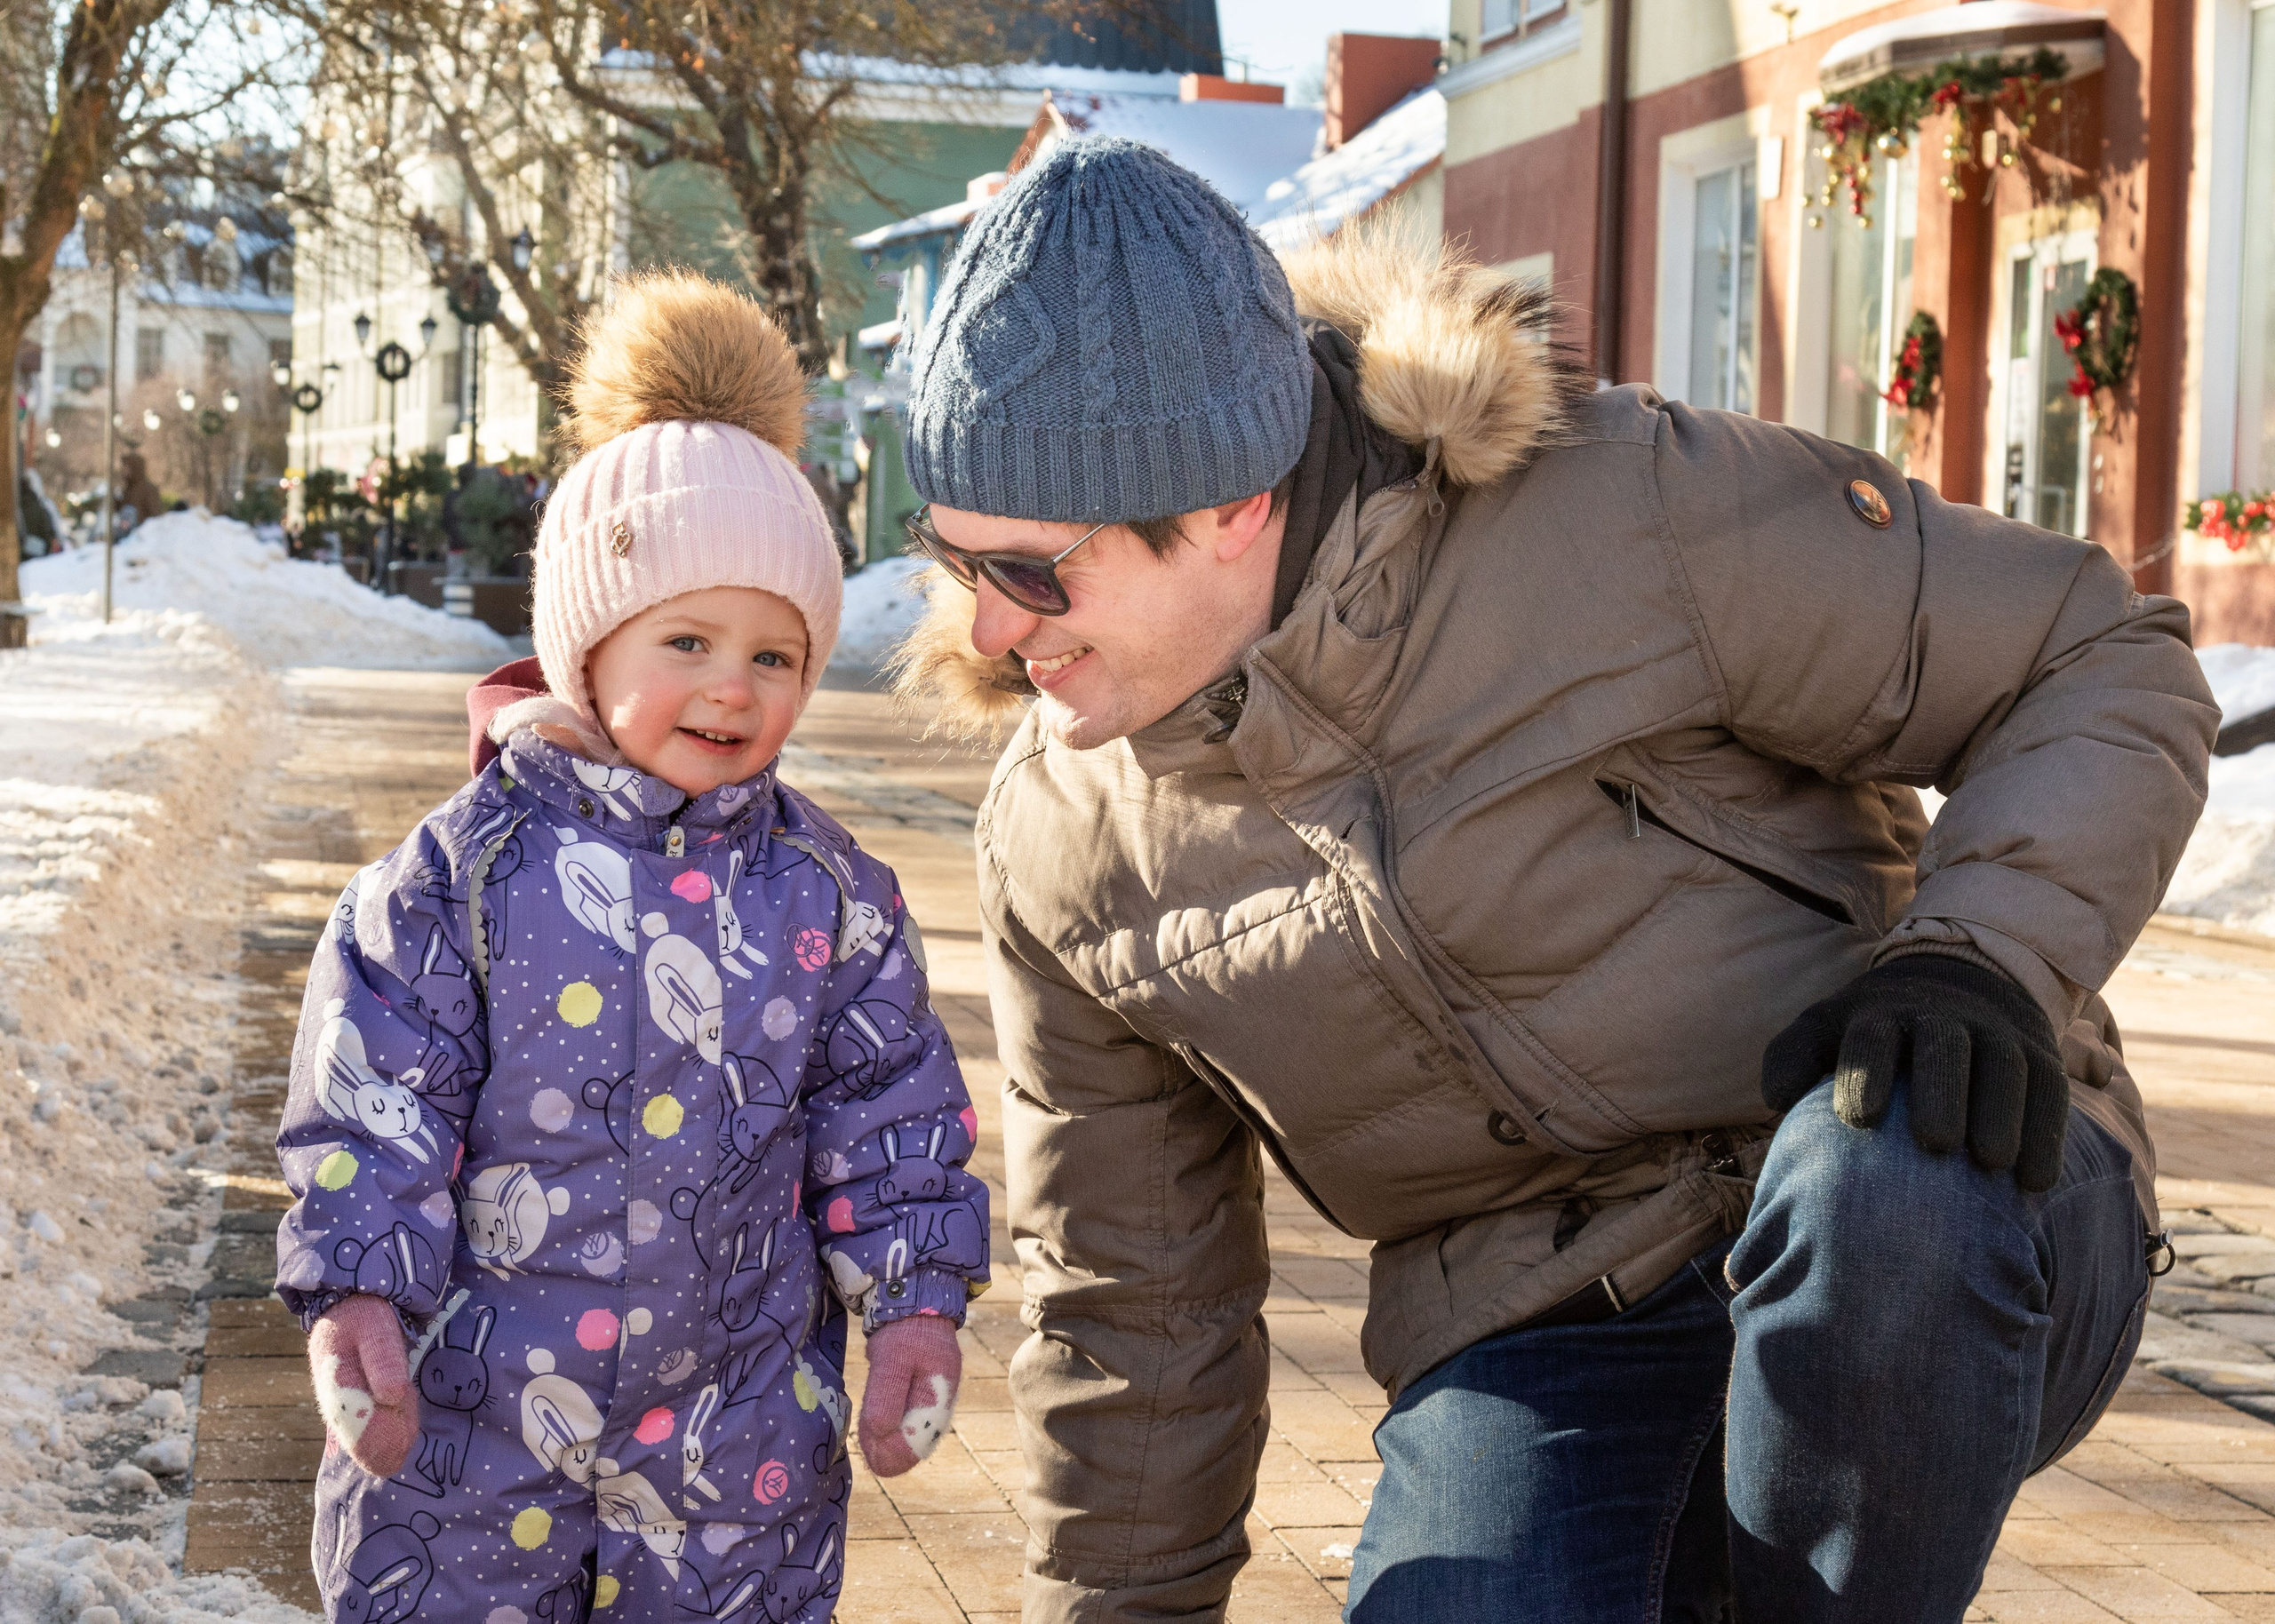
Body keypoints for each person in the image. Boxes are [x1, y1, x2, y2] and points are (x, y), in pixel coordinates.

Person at [879, 140, 2215, 1620]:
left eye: (1034, 572)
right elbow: (1137, 1309)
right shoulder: (1066, 841)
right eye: (953, 562)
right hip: (1544, 1315)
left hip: (1938, 1197)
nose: (990, 633)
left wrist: (1982, 959)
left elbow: (2096, 653)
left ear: (1228, 505)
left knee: (1876, 1198)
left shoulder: (1619, 512)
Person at [272, 271, 989, 1622]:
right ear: (587, 647)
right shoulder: (458, 876)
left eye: (778, 655)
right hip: (468, 1437)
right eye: (689, 639)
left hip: (734, 1454)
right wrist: (358, 1296)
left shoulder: (831, 892)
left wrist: (914, 1308)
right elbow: (375, 1102)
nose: (735, 683)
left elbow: (891, 1113)